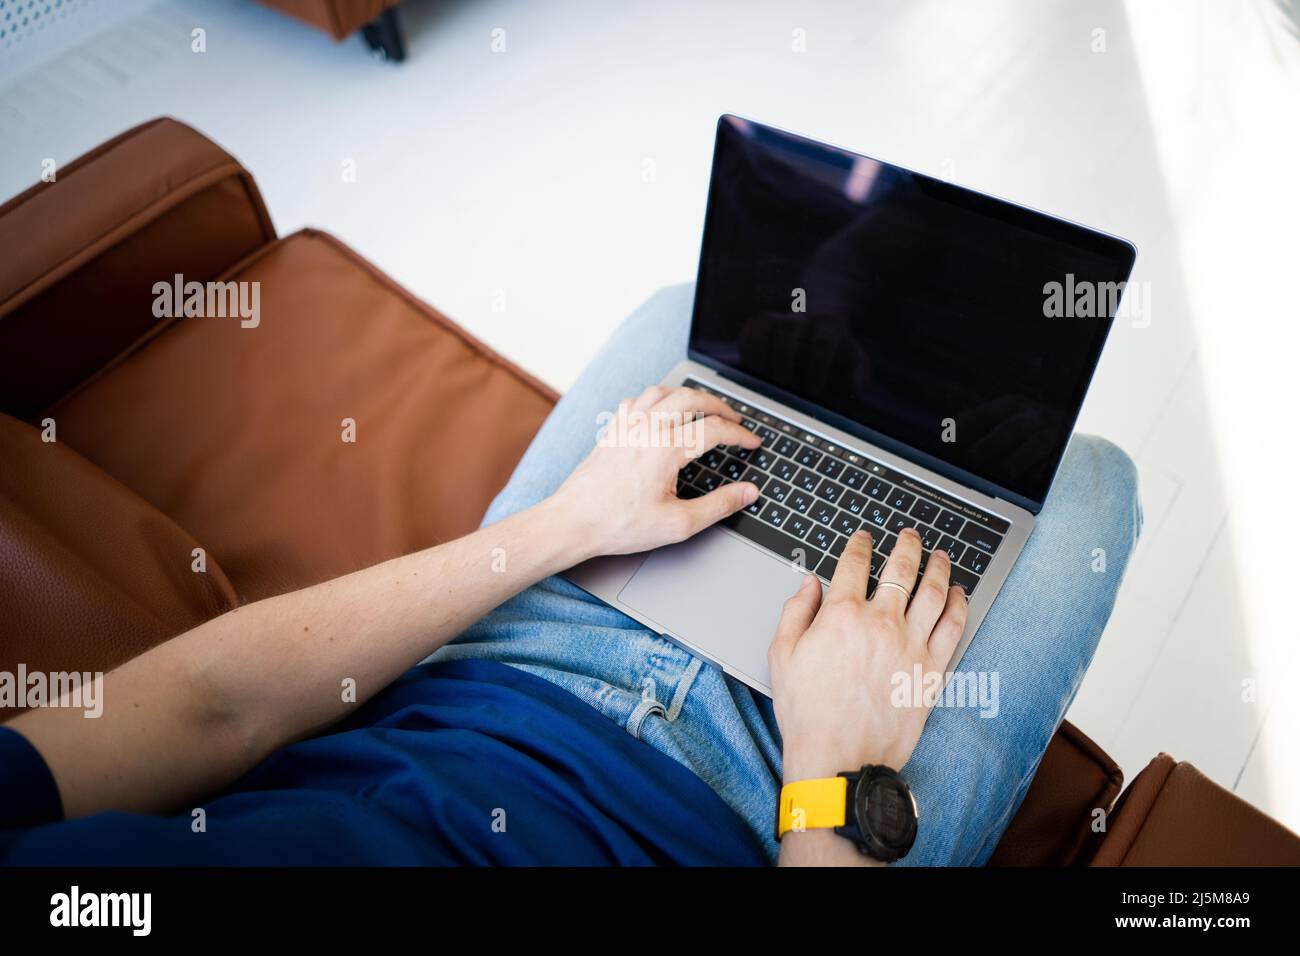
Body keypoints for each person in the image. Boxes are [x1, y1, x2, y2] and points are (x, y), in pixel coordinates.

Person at [0, 285, 1141, 866]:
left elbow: (210, 703)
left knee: (687, 328)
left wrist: (559, 528)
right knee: (1085, 481)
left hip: (496, 653)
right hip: (770, 809)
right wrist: (837, 770)